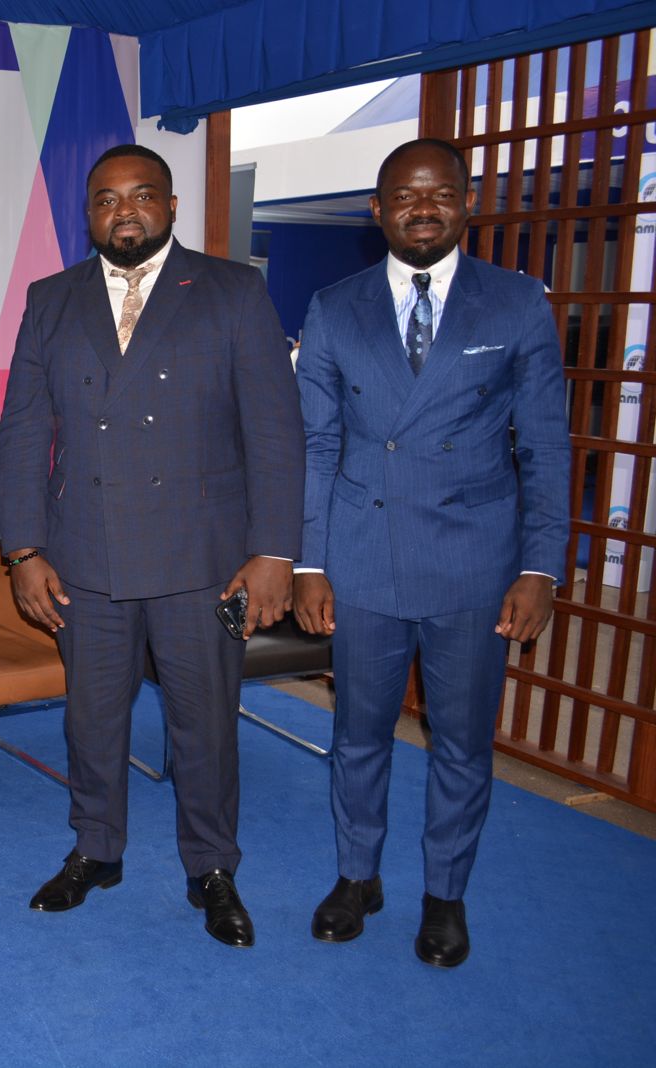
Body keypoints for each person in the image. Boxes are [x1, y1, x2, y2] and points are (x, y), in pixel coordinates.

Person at [0, 144, 303, 948]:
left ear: (170, 205)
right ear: (87, 215)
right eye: (105, 199)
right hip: (83, 556)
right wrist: (23, 550)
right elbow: (23, 432)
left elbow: (275, 432)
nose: (123, 211)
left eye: (140, 196)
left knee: (204, 725)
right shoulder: (52, 298)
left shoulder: (233, 291)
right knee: (91, 720)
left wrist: (275, 551)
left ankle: (212, 867)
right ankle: (96, 849)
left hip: (202, 560)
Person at [293, 138, 569, 968]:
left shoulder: (516, 303)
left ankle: (445, 894)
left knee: (461, 742)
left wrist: (540, 566)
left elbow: (545, 446)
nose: (423, 209)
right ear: (376, 210)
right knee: (358, 734)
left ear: (467, 202)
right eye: (405, 196)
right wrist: (309, 561)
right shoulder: (334, 307)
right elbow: (317, 444)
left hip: (474, 562)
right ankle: (357, 876)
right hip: (363, 556)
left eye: (440, 194)